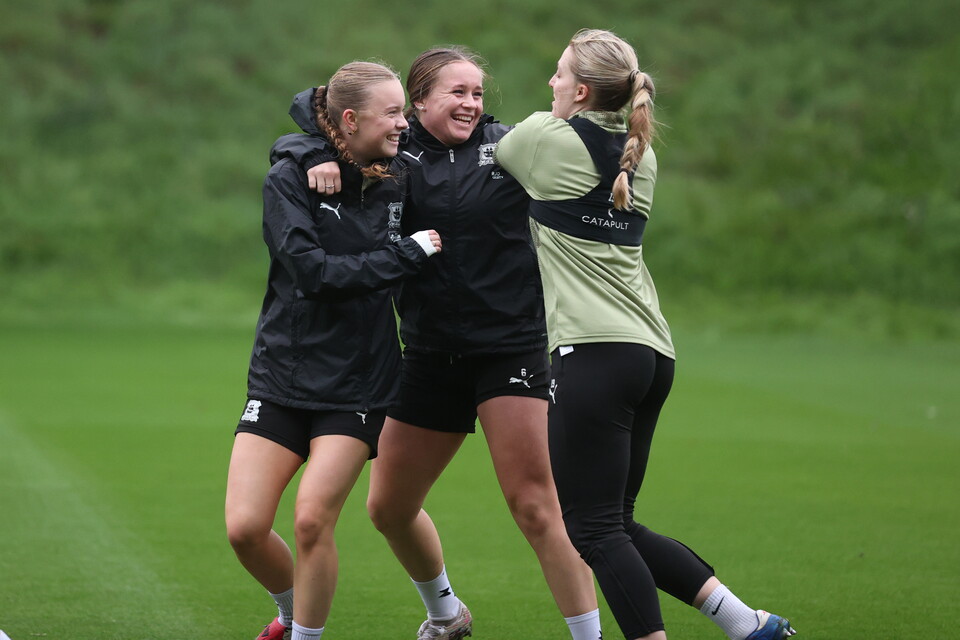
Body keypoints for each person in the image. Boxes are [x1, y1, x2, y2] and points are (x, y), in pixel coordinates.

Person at [285, 47, 602, 640]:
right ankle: (447, 615)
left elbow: (591, 143)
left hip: (509, 348)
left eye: (478, 93)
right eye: (457, 92)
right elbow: (325, 113)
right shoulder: (394, 155)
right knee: (388, 509)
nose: (472, 104)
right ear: (418, 101)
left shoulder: (510, 147)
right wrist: (310, 152)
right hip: (429, 354)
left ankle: (590, 636)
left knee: (535, 507)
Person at [494, 29, 798, 640]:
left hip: (594, 355)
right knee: (617, 523)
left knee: (593, 529)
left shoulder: (542, 140)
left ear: (581, 91)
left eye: (558, 75)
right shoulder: (643, 155)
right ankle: (748, 624)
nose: (549, 84)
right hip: (651, 354)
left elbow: (480, 148)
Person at [224, 61, 443, 640]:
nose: (405, 123)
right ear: (349, 120)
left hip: (360, 384)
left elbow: (454, 149)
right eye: (393, 113)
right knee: (245, 528)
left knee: (312, 518)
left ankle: (305, 637)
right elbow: (313, 273)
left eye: (405, 110)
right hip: (283, 372)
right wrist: (301, 152)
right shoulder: (292, 177)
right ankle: (293, 610)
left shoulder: (404, 172)